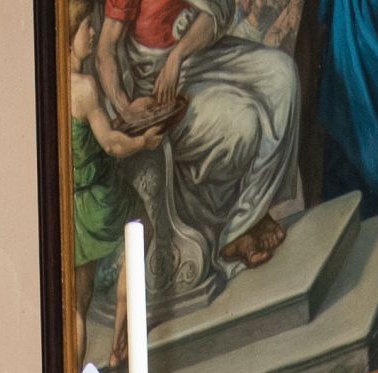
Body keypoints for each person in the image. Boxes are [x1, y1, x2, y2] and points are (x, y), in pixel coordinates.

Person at [96, 0, 304, 312]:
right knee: (243, 124)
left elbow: (215, 12)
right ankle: (238, 231)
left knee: (282, 74)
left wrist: (178, 56)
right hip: (157, 84)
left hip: (201, 54)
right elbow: (105, 50)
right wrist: (126, 109)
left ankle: (252, 213)